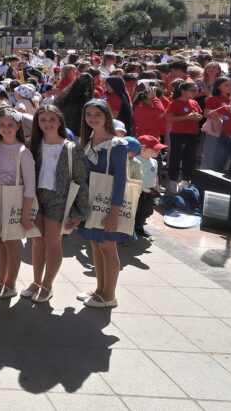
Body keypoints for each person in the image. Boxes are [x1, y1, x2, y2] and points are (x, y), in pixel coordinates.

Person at [23, 106, 88, 304]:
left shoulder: (71, 148)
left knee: (53, 243)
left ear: (60, 121)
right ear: (37, 123)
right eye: (43, 119)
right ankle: (36, 281)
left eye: (52, 119)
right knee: (37, 241)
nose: (47, 123)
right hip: (36, 197)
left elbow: (80, 179)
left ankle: (47, 285)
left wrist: (78, 212)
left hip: (58, 200)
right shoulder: (33, 145)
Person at [77, 99, 131, 309]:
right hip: (92, 200)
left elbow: (121, 181)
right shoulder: (89, 140)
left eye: (97, 114)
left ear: (107, 116)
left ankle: (109, 295)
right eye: (88, 114)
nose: (92, 118)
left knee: (107, 247)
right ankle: (100, 289)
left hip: (108, 204)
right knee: (95, 244)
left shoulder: (117, 144)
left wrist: (114, 212)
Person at [0, 107, 36, 299]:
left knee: (12, 241)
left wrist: (25, 214)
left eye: (10, 125)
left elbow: (30, 186)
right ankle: (1, 279)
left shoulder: (23, 152)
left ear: (18, 126)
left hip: (14, 203)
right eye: (2, 124)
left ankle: (11, 283)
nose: (6, 128)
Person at [165, 81, 203, 190]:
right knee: (176, 157)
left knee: (190, 158)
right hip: (178, 133)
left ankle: (186, 181)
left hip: (193, 133)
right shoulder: (175, 102)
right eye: (192, 90)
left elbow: (199, 114)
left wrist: (198, 117)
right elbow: (168, 118)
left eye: (196, 90)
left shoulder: (194, 102)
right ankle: (173, 181)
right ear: (183, 91)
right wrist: (187, 117)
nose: (195, 92)